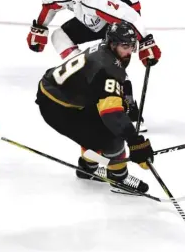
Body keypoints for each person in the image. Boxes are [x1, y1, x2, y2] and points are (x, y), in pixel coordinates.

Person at [26, 0, 162, 131]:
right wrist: (39, 28)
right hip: (91, 20)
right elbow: (48, 7)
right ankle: (85, 72)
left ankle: (130, 110)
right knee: (58, 36)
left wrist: (145, 42)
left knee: (113, 64)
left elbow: (131, 16)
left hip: (113, 21)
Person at [35, 21, 154, 194]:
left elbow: (107, 81)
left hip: (60, 93)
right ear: (112, 44)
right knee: (110, 133)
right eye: (125, 46)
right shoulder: (107, 68)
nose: (129, 52)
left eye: (132, 46)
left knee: (97, 128)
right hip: (56, 107)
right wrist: (135, 143)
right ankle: (118, 177)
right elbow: (112, 116)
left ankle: (88, 167)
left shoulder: (104, 51)